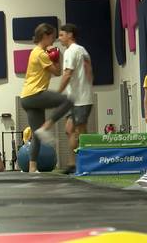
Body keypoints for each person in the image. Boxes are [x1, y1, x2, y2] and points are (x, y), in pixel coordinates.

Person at [20, 23, 74, 173]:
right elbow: (57, 72)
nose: (54, 39)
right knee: (68, 100)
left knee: (36, 134)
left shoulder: (35, 52)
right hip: (34, 94)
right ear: (45, 36)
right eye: (52, 36)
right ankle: (47, 125)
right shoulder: (40, 54)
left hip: (26, 97)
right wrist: (58, 56)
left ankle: (32, 168)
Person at [57, 23, 93, 175]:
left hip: (81, 99)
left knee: (81, 133)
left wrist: (58, 92)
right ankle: (72, 164)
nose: (59, 39)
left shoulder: (71, 51)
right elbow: (90, 72)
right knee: (69, 130)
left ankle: (86, 164)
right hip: (75, 98)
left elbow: (67, 74)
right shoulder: (82, 50)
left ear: (70, 35)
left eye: (61, 35)